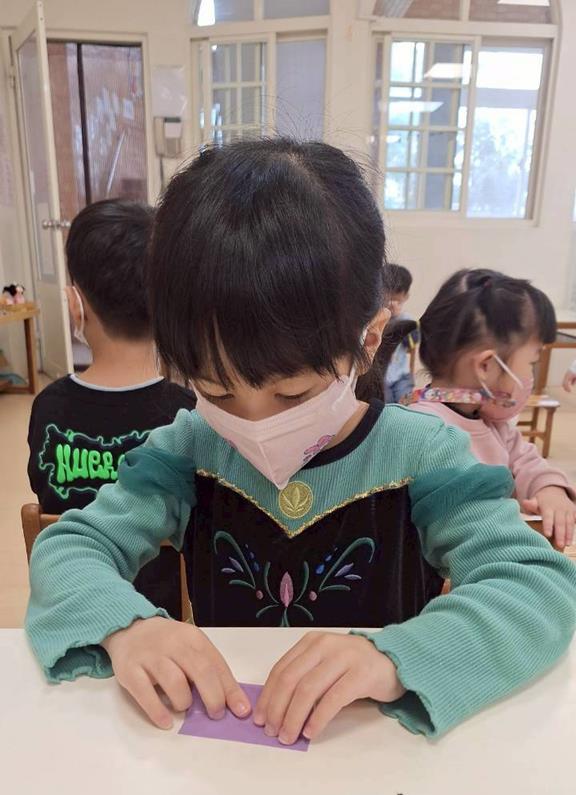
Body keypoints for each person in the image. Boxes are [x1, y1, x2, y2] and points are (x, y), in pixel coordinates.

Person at [26, 140, 576, 745]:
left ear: (369, 341)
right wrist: (126, 626)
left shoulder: (425, 455)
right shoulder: (187, 447)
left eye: (292, 394)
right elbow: (70, 546)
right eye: (216, 389)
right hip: (231, 747)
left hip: (370, 752)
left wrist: (396, 655)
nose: (255, 421)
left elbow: (537, 587)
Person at [27, 198, 196, 617]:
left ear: (76, 304)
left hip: (74, 609)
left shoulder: (48, 408)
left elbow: (42, 493)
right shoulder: (188, 414)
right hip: (166, 620)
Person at [410, 269, 576, 550]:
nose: (531, 375)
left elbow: (528, 462)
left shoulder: (493, 424)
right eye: (532, 363)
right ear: (486, 366)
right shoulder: (425, 430)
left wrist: (550, 489)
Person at [382, 264, 417, 404]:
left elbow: (412, 347)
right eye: (388, 300)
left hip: (402, 375)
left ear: (406, 297)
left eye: (397, 301)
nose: (392, 304)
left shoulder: (407, 320)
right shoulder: (376, 317)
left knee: (406, 401)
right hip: (381, 376)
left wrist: (399, 322)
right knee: (385, 403)